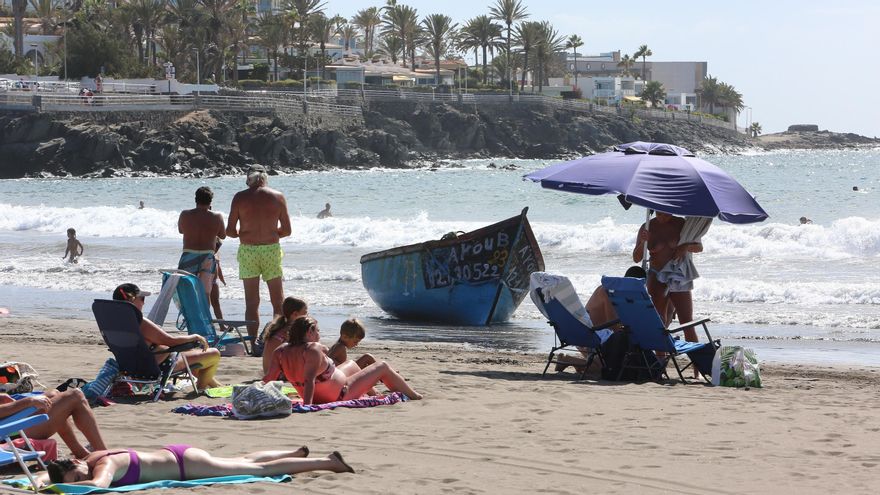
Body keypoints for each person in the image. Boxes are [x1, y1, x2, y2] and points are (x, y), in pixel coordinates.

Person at [264, 316, 422, 405]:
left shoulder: (281, 351)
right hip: (340, 394)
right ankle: (414, 396)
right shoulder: (312, 349)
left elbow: (269, 379)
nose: (319, 334)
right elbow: (309, 380)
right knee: (382, 366)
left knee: (352, 364)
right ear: (309, 331)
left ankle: (373, 391)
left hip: (327, 389)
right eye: (317, 331)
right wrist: (308, 406)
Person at [44, 445, 353, 488]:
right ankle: (295, 452)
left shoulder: (104, 464)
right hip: (182, 456)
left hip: (186, 466)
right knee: (243, 461)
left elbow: (98, 486)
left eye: (75, 475)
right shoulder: (96, 455)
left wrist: (56, 488)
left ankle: (327, 462)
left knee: (256, 471)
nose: (78, 479)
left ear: (75, 463)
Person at [113, 283, 222, 390]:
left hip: (133, 367)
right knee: (214, 354)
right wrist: (195, 336)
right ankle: (201, 390)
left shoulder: (115, 322)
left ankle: (216, 386)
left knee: (192, 352)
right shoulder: (140, 322)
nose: (143, 303)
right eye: (142, 299)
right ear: (131, 300)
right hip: (160, 365)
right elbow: (170, 341)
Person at [226, 165, 292, 340]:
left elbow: (230, 231)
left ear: (249, 178)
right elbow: (287, 231)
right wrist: (271, 232)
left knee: (252, 302)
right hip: (271, 249)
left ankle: (254, 342)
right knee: (278, 301)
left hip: (248, 251)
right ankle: (277, 341)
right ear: (264, 178)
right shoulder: (278, 197)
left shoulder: (240, 198)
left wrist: (247, 232)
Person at [632, 212, 703, 341]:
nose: (663, 217)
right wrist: (643, 242)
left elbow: (699, 247)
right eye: (659, 214)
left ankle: (697, 359)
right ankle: (661, 359)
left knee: (687, 323)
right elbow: (636, 258)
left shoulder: (681, 223)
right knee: (660, 322)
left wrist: (685, 247)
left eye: (667, 214)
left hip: (678, 275)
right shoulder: (647, 226)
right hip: (656, 276)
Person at [0, 388, 108, 460]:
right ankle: (104, 455)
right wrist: (29, 401)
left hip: (6, 426)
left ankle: (80, 451)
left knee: (53, 394)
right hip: (8, 434)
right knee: (75, 395)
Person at [178, 186, 226, 297]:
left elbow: (181, 230)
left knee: (187, 292)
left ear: (196, 199)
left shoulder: (185, 214)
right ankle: (204, 314)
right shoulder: (217, 217)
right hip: (207, 257)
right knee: (205, 294)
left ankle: (189, 314)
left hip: (188, 255)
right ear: (210, 201)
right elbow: (222, 235)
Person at [258, 296, 308, 375]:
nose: (307, 316)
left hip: (268, 372)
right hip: (278, 375)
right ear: (295, 314)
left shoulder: (279, 327)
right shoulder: (290, 331)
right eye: (305, 313)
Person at [209, 238, 225, 321]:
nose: (216, 250)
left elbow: (219, 267)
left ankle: (222, 324)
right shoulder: (206, 254)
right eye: (215, 248)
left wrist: (222, 279)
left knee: (216, 302)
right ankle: (206, 322)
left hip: (215, 282)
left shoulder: (217, 254)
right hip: (206, 281)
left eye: (218, 249)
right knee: (206, 303)